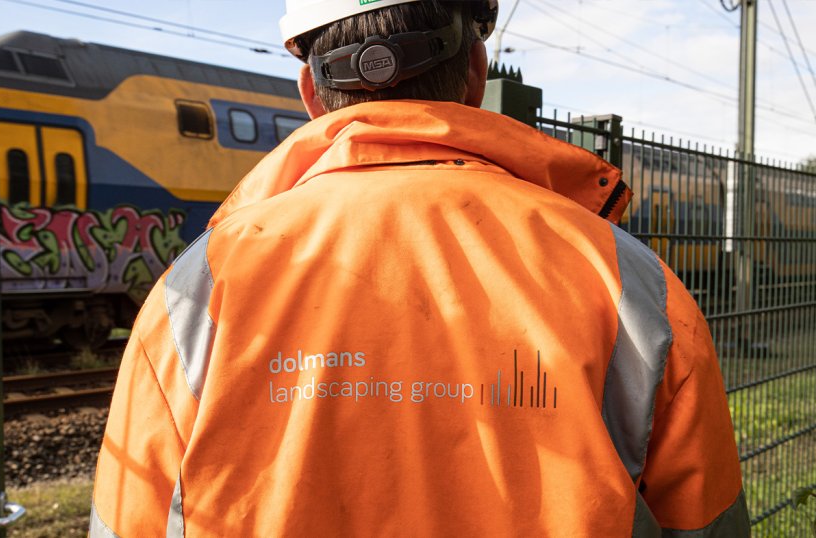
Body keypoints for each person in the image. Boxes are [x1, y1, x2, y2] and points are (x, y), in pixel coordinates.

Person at [90, 1, 749, 535]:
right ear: (476, 71)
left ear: (310, 93)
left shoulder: (194, 291)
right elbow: (707, 522)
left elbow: (128, 522)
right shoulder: (629, 281)